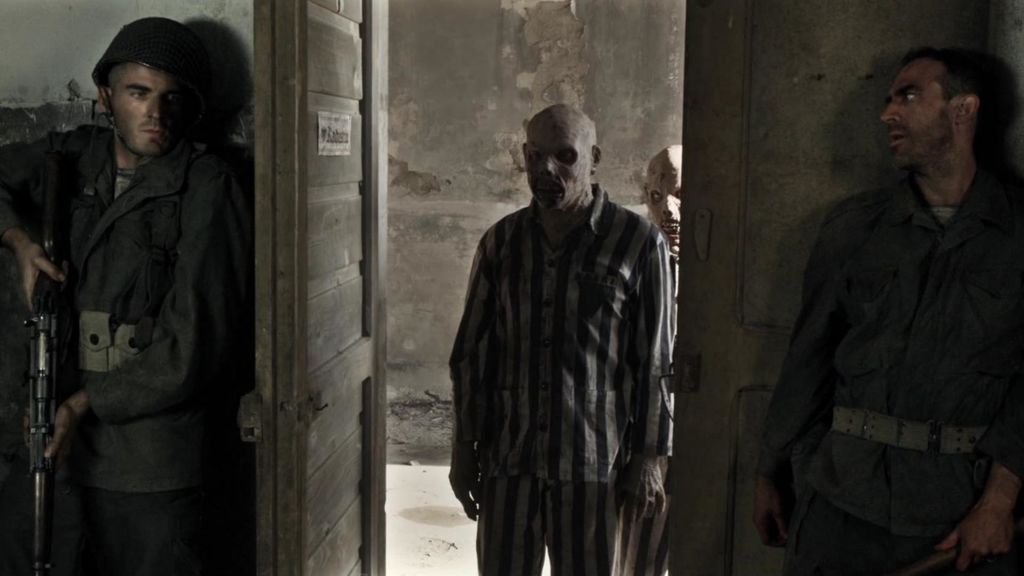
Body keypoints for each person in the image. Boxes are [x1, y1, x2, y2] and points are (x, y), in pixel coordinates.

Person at [753, 47, 1024, 575]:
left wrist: (998, 502)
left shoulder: (1016, 232)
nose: (887, 114)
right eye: (889, 99)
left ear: (963, 109)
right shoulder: (854, 228)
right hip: (841, 503)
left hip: (954, 517)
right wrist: (770, 470)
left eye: (909, 96)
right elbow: (808, 359)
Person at [0, 17, 250, 576]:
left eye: (171, 98)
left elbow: (190, 348)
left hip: (148, 462)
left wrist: (80, 406)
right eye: (138, 93)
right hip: (51, 446)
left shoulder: (207, 185)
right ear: (106, 98)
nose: (155, 113)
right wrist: (19, 242)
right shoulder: (70, 157)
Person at [449, 103, 675, 576]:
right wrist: (463, 447)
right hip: (510, 465)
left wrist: (649, 459)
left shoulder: (637, 243)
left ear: (594, 158)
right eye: (536, 156)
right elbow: (472, 355)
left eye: (565, 156)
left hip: (594, 471)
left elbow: (655, 362)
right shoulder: (501, 243)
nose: (547, 169)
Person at [617, 144, 682, 576]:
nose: (668, 211)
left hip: (699, 434)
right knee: (638, 555)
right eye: (657, 197)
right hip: (647, 434)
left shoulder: (722, 270)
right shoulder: (634, 262)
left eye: (680, 196)